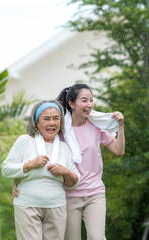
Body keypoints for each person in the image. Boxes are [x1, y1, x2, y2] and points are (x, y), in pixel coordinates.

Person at [2, 100, 80, 240]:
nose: (52, 123)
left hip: (56, 206)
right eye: (46, 119)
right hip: (27, 205)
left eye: (56, 118)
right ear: (36, 122)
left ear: (61, 122)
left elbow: (74, 183)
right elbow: (6, 169)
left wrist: (66, 172)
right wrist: (30, 164)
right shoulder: (24, 141)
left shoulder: (64, 147)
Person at [56, 83, 125, 240]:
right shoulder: (61, 132)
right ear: (71, 104)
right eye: (84, 100)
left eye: (91, 100)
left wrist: (120, 126)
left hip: (95, 193)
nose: (89, 105)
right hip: (69, 194)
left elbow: (119, 150)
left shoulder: (96, 125)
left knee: (97, 237)